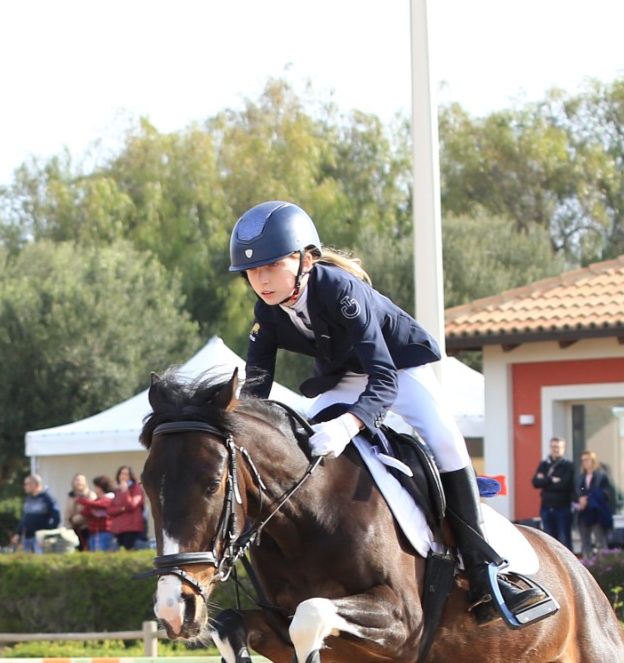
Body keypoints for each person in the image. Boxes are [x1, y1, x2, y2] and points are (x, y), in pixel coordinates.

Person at [228, 200, 553, 625]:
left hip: (397, 369)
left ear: (306, 259)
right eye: (253, 272)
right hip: (343, 379)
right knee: (303, 449)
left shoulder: (340, 293)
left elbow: (384, 380)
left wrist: (348, 425)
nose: (262, 280)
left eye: (271, 267)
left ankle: (485, 569)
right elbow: (256, 387)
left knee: (447, 443)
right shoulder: (266, 313)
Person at [531, 438, 577, 544]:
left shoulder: (568, 465)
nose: (555, 450)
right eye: (553, 447)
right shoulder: (544, 464)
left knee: (564, 539)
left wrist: (545, 480)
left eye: (558, 447)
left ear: (563, 448)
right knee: (549, 540)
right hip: (546, 507)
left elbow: (564, 484)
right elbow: (535, 482)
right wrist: (551, 479)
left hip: (562, 507)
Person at [573, 453, 617, 556]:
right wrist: (580, 499)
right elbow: (575, 492)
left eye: (587, 460)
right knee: (585, 542)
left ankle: (603, 565)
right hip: (583, 512)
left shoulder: (601, 476)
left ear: (593, 461)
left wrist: (588, 498)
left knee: (600, 540)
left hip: (597, 512)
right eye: (583, 460)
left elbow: (607, 493)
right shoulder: (579, 478)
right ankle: (587, 564)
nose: (585, 463)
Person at [105, 465, 149, 551]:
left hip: (132, 528)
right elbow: (110, 510)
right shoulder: (117, 490)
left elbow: (131, 505)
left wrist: (125, 491)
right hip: (119, 529)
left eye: (126, 474)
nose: (123, 476)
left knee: (130, 551)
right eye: (121, 474)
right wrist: (122, 509)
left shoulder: (136, 488)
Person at [18, 474, 61, 551]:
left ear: (33, 485)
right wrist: (18, 533)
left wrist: (47, 536)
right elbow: (25, 518)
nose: (25, 486)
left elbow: (56, 519)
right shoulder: (28, 499)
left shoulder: (48, 499)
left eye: (26, 484)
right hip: (28, 538)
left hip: (40, 539)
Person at [67, 474, 105, 550]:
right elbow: (67, 512)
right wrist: (68, 527)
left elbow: (91, 510)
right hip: (73, 529)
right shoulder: (70, 496)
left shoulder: (90, 495)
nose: (79, 483)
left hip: (87, 528)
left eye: (81, 481)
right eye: (77, 480)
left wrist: (76, 520)